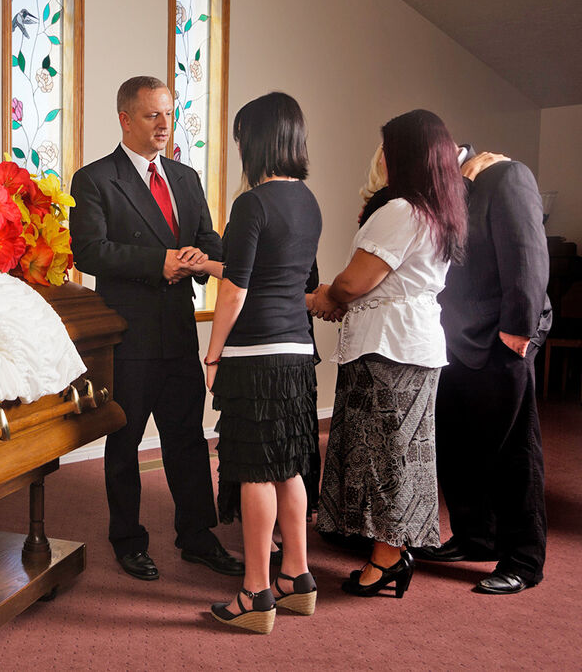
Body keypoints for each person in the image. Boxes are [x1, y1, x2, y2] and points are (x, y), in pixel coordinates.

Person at [70, 76, 240, 581]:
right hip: (128, 333)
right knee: (124, 443)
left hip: (178, 331)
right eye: (152, 115)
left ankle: (196, 536)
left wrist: (198, 256)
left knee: (187, 438)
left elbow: (211, 239)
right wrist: (159, 261)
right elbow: (90, 251)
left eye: (169, 113)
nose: (165, 123)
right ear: (125, 119)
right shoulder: (95, 178)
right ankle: (127, 540)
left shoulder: (186, 178)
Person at [313, 109, 468, 599]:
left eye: (386, 147)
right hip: (414, 342)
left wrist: (329, 296)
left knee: (384, 456)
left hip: (389, 347)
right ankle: (392, 548)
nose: (380, 156)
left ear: (403, 154)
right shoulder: (438, 208)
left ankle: (386, 559)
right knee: (405, 452)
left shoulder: (402, 210)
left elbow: (356, 281)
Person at [204, 91, 321, 634]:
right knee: (289, 466)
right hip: (297, 354)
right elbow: (303, 281)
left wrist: (213, 352)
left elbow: (235, 291)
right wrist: (213, 260)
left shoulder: (252, 203)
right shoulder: (308, 202)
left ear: (256, 141)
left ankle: (256, 592)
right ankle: (298, 577)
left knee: (253, 470)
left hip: (254, 356)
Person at [412, 148, 552, 595]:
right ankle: (475, 538)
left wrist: (517, 331)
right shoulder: (451, 188)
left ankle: (524, 560)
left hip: (502, 339)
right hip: (452, 339)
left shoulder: (508, 175)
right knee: (456, 447)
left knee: (512, 453)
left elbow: (528, 257)